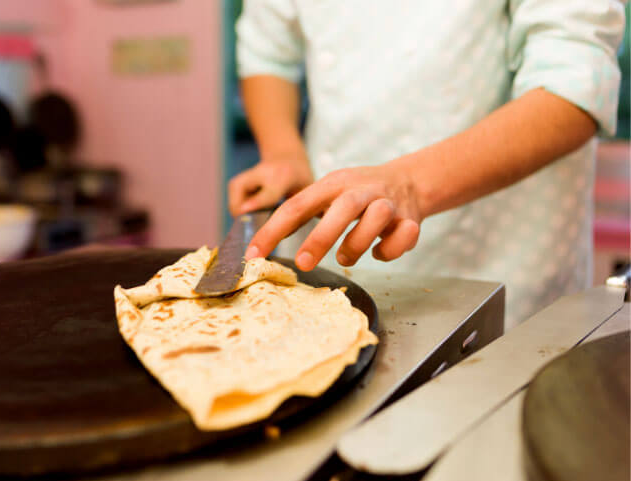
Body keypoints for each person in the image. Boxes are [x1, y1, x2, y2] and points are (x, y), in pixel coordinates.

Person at [229, 0, 626, 327]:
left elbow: (575, 84)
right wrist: (284, 151)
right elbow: (267, 53)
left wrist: (408, 186)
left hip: (498, 261)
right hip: (330, 252)